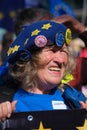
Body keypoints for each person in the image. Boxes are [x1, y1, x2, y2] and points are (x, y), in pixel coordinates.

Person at [0, 20, 87, 120]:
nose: (60, 60)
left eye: (63, 51)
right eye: (52, 51)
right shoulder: (4, 102)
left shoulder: (74, 100)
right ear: (29, 59)